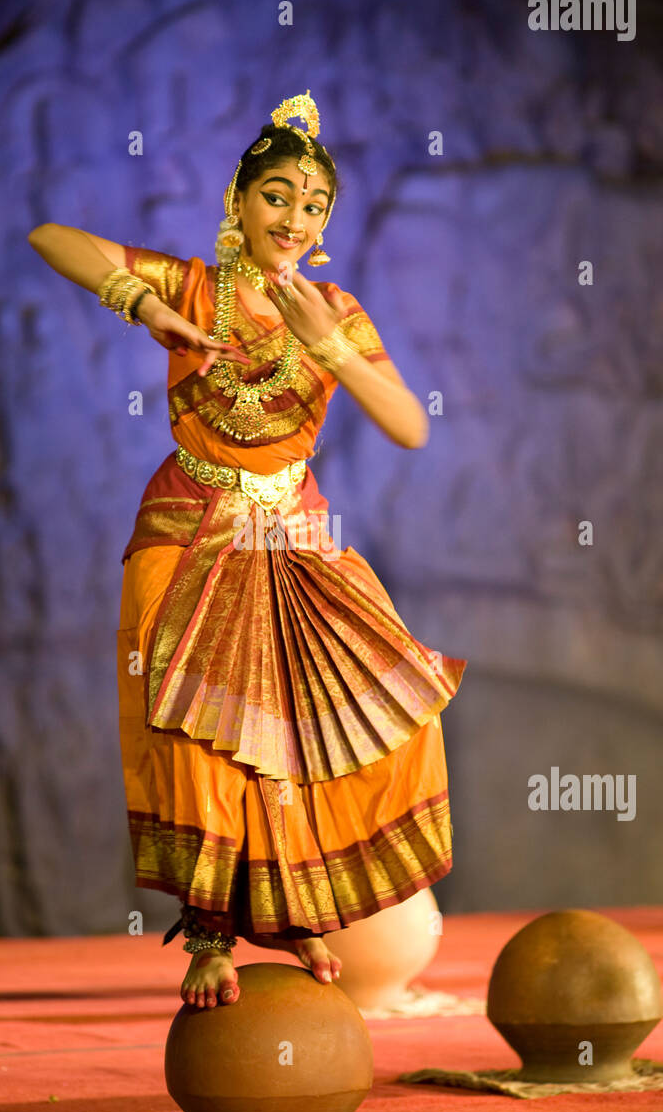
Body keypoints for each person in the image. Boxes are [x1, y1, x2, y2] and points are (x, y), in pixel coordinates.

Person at [28, 91, 466, 1012]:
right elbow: (48, 237)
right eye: (277, 195)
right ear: (237, 199)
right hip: (188, 531)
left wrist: (331, 350)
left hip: (295, 535)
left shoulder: (335, 310)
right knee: (204, 738)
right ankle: (212, 937)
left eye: (313, 206)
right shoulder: (192, 286)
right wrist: (140, 301)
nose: (294, 219)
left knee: (353, 722)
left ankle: (298, 910)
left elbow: (409, 427)